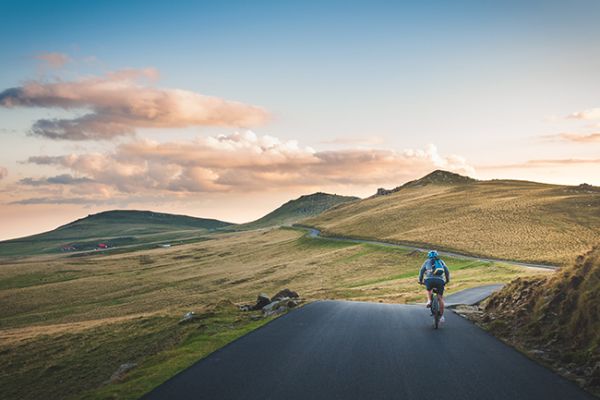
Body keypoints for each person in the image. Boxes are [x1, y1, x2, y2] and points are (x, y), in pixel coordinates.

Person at [418, 250, 450, 322]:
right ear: (437, 255)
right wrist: (447, 281)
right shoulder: (441, 262)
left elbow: (421, 272)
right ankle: (441, 316)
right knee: (440, 298)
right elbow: (447, 272)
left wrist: (420, 281)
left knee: (429, 289)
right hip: (440, 281)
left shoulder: (426, 262)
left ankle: (429, 301)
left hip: (429, 280)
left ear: (428, 256)